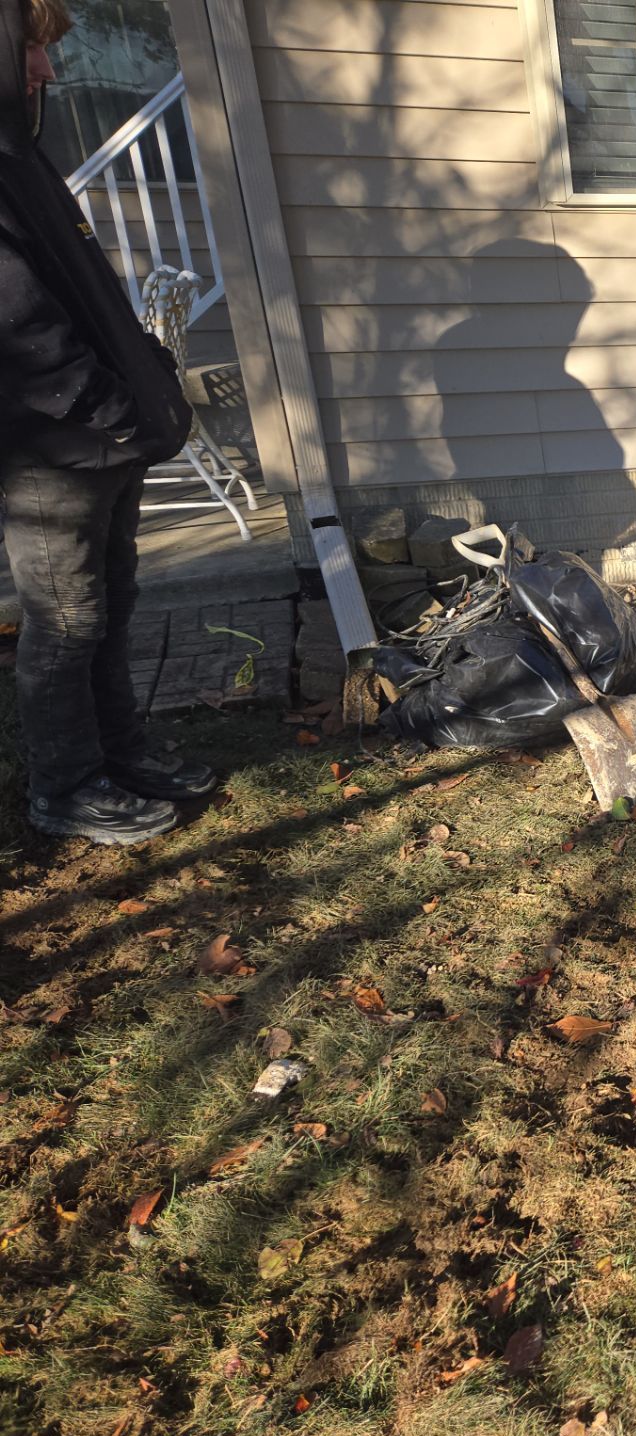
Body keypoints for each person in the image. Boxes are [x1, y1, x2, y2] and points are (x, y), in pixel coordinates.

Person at [1, 0, 216, 843]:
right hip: (51, 455)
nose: (48, 70)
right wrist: (112, 409)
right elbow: (21, 330)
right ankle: (65, 784)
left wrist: (139, 393)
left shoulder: (21, 158)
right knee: (66, 619)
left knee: (111, 606)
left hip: (100, 442)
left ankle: (119, 750)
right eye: (30, 50)